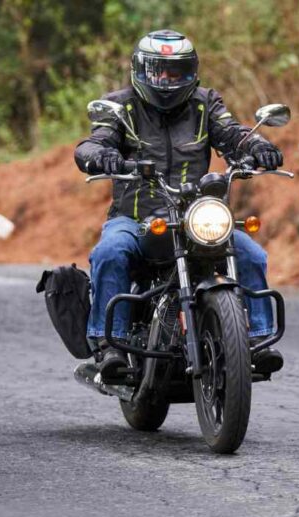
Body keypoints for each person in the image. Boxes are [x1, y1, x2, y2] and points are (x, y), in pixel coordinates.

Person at [74, 29, 284, 381]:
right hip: (135, 218)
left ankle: (258, 339)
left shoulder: (205, 104)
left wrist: (257, 146)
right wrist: (101, 155)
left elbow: (233, 134)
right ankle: (109, 346)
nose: (168, 81)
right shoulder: (121, 107)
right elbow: (94, 142)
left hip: (195, 217)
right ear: (140, 71)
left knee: (250, 254)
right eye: (160, 72)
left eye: (177, 72)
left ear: (192, 71)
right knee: (110, 252)